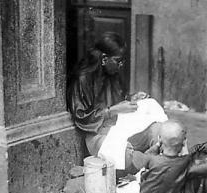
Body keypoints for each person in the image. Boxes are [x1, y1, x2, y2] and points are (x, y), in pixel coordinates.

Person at [66, 32, 160, 174]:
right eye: (118, 60)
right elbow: (82, 117)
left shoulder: (112, 73)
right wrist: (112, 110)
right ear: (104, 59)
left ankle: (148, 163)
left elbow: (118, 98)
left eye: (123, 61)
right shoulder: (83, 79)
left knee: (158, 130)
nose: (121, 65)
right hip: (97, 133)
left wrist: (131, 98)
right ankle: (148, 163)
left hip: (119, 126)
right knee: (125, 155)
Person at [132, 120, 196, 193]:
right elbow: (188, 156)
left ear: (160, 139)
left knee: (148, 180)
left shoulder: (152, 160)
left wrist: (156, 145)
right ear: (182, 143)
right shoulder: (183, 162)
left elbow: (140, 159)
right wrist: (185, 144)